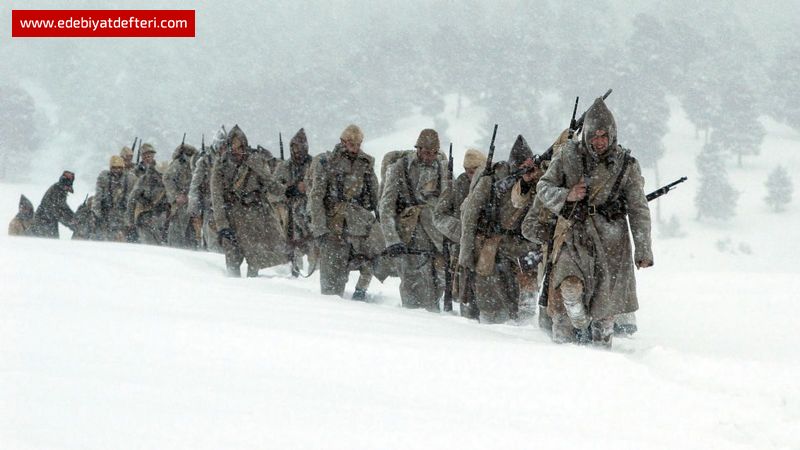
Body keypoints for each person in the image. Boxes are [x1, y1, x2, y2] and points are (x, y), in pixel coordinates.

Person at [535, 97, 653, 347]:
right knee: (568, 288)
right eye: (594, 135)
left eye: (604, 136)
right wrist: (566, 195)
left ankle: (601, 361)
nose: (598, 142)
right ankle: (567, 343)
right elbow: (543, 187)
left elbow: (638, 209)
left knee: (605, 308)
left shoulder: (626, 165)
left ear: (612, 135)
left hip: (613, 241)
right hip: (574, 234)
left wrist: (643, 249)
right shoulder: (567, 155)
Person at [459, 136, 541, 323]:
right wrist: (467, 255)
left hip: (521, 248)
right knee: (491, 306)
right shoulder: (492, 180)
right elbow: (470, 217)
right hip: (491, 247)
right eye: (522, 164)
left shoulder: (536, 183)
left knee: (523, 308)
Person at [307, 124, 379, 299]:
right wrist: (320, 228)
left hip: (358, 224)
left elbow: (374, 196)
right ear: (343, 142)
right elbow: (316, 197)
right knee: (332, 283)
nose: (356, 148)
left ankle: (361, 291)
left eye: (359, 144)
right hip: (334, 225)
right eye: (352, 144)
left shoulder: (366, 163)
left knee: (371, 258)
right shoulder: (327, 162)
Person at [380, 128, 446, 312]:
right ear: (418, 149)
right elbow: (386, 207)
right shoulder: (399, 168)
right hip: (408, 235)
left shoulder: (442, 168)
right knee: (412, 284)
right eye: (425, 152)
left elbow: (450, 202)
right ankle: (413, 324)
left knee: (437, 285)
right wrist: (392, 240)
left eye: (433, 153)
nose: (429, 157)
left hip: (436, 236)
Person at [210, 125, 288, 277]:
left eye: (240, 146)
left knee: (256, 260)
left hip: (255, 218)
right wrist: (222, 225)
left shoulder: (254, 161)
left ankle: (255, 289)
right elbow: (217, 198)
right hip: (232, 217)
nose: (237, 150)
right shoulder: (221, 165)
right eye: (234, 146)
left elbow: (271, 186)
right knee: (232, 261)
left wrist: (284, 188)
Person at [433, 148, 486, 319]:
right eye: (467, 171)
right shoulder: (458, 185)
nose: (470, 175)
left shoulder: (490, 183)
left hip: (486, 249)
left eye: (474, 171)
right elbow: (439, 215)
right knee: (465, 292)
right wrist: (462, 231)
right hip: (463, 249)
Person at [274, 128, 316, 277]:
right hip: (290, 213)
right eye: (294, 148)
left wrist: (307, 188)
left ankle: (314, 275)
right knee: (294, 245)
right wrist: (291, 190)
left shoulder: (314, 164)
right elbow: (274, 191)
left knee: (313, 245)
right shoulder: (283, 167)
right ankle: (295, 274)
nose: (297, 151)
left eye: (300, 148)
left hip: (310, 212)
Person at [189, 129, 225, 253]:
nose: (222, 147)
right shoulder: (205, 161)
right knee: (212, 243)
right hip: (209, 207)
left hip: (226, 207)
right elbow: (194, 186)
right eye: (221, 144)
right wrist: (194, 209)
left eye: (225, 145)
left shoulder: (229, 160)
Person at [126, 143, 168, 245]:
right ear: (142, 156)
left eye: (150, 155)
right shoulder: (135, 172)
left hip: (157, 211)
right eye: (145, 155)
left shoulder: (159, 170)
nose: (148, 157)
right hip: (141, 210)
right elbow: (131, 196)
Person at [93, 155, 136, 241]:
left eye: (119, 168)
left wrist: (130, 219)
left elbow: (133, 199)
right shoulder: (104, 178)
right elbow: (98, 197)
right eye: (114, 168)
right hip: (107, 215)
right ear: (110, 168)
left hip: (123, 216)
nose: (117, 170)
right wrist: (97, 214)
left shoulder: (130, 179)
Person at [163, 142, 198, 248]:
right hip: (180, 205)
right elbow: (166, 178)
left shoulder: (194, 165)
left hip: (191, 203)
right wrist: (176, 195)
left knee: (191, 233)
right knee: (176, 232)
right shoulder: (178, 164)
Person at [31, 171, 77, 238]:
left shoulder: (60, 191)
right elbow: (57, 212)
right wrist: (72, 224)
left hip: (50, 222)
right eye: (67, 186)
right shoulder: (56, 191)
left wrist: (74, 217)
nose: (68, 189)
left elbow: (64, 208)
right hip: (43, 223)